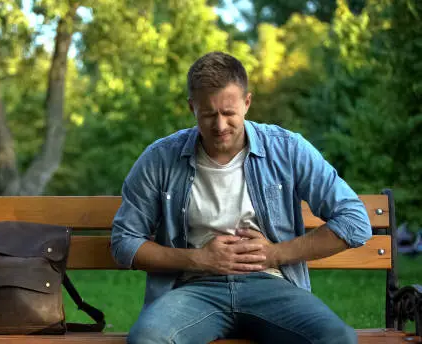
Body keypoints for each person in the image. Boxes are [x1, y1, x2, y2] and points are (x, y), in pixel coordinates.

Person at [110, 51, 372, 344]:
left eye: (228, 113)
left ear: (247, 103)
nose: (219, 126)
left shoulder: (286, 149)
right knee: (147, 339)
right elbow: (125, 243)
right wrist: (199, 259)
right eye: (208, 114)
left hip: (270, 285)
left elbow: (355, 222)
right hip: (194, 291)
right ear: (191, 107)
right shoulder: (160, 158)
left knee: (338, 338)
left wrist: (274, 253)